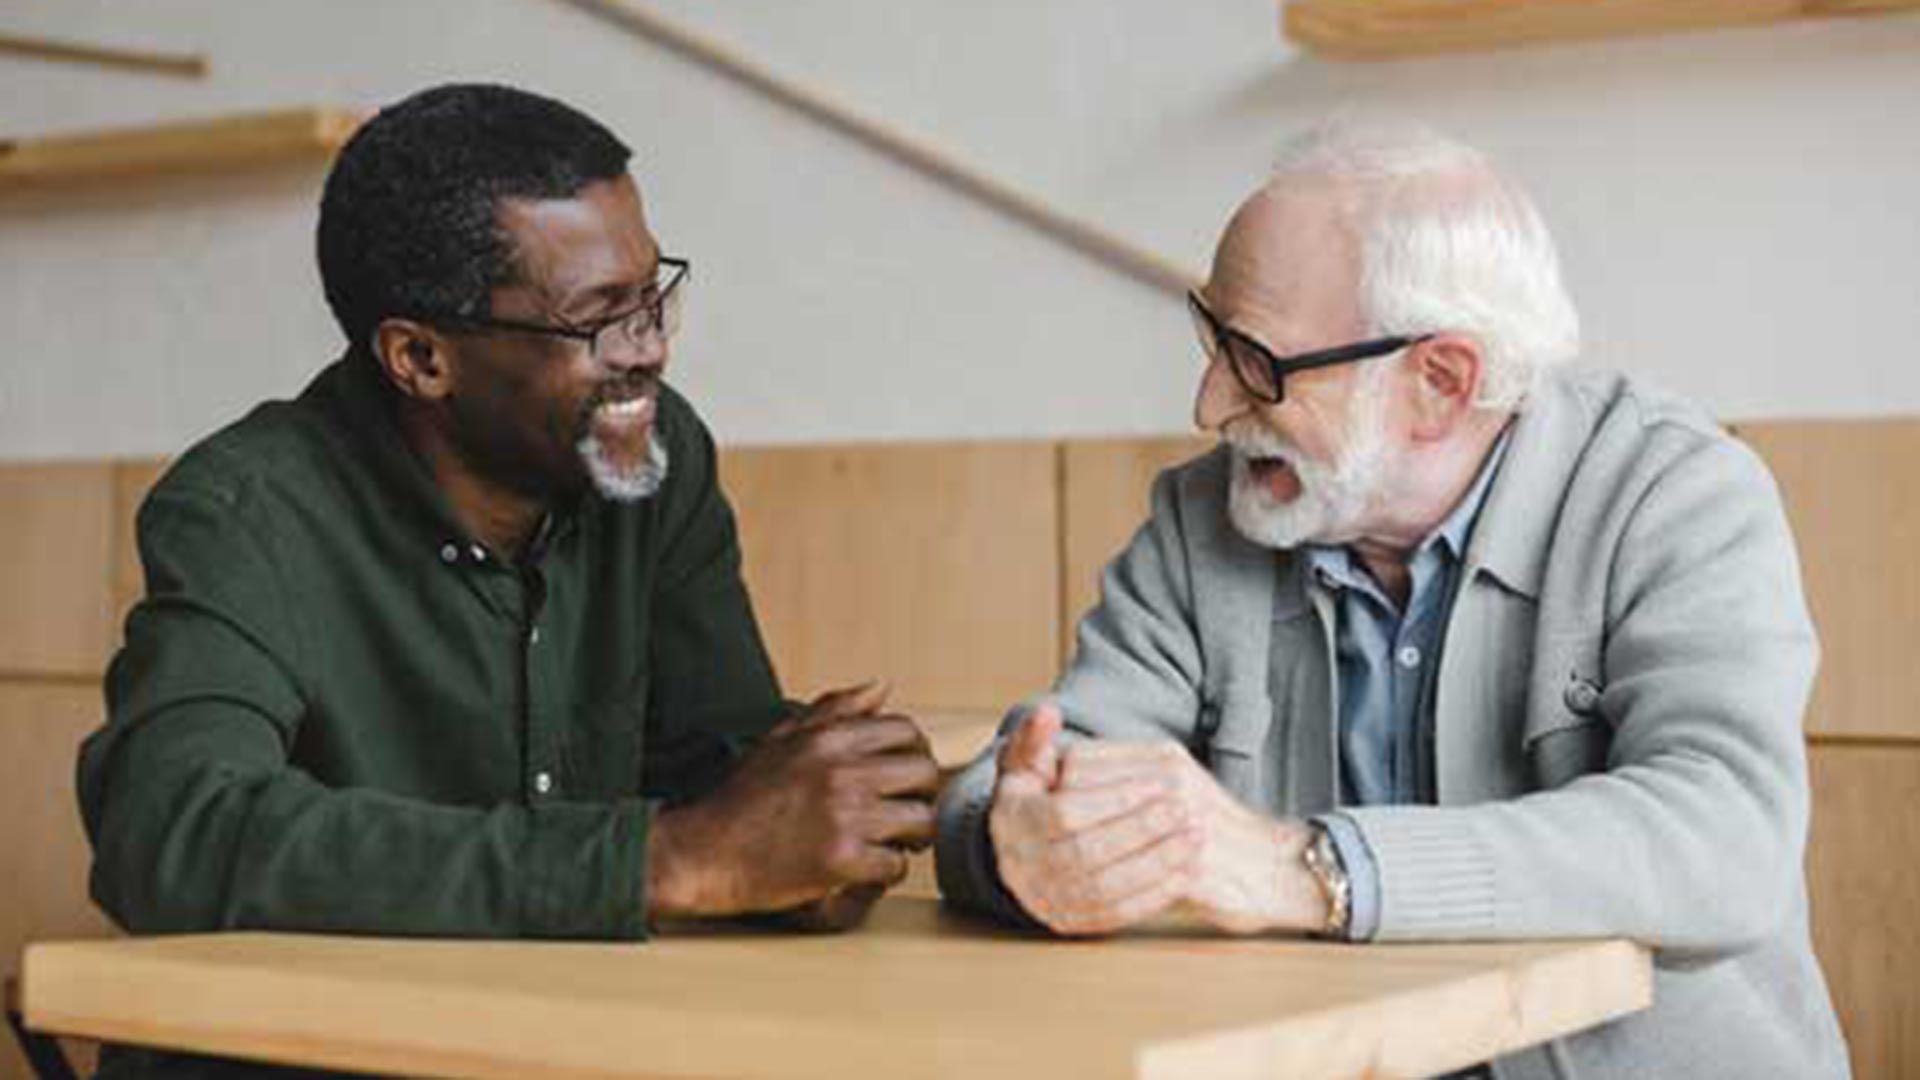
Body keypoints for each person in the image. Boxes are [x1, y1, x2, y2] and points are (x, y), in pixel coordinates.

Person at [935, 120, 1849, 1078]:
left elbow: (1725, 834)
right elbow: (1017, 783)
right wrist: (1018, 847)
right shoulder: (1208, 517)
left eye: (1259, 363)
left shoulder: (1675, 491)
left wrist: (1308, 870)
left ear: (1440, 384)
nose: (1209, 405)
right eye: (1214, 338)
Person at [80, 83, 940, 1076]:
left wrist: (819, 829)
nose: (651, 348)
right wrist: (669, 862)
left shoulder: (655, 460)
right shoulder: (248, 509)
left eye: (654, 293)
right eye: (598, 321)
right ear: (420, 358)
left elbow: (716, 763)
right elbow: (170, 830)